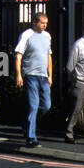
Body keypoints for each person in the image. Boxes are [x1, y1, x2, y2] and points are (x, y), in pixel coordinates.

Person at [13, 13, 52, 147]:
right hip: (30, 75)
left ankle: (27, 123)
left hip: (43, 76)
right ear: (34, 22)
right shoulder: (26, 35)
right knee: (33, 105)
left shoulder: (47, 36)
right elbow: (18, 56)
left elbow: (48, 56)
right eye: (42, 23)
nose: (45, 25)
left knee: (46, 106)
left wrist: (50, 75)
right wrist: (18, 75)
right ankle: (31, 138)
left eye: (46, 23)